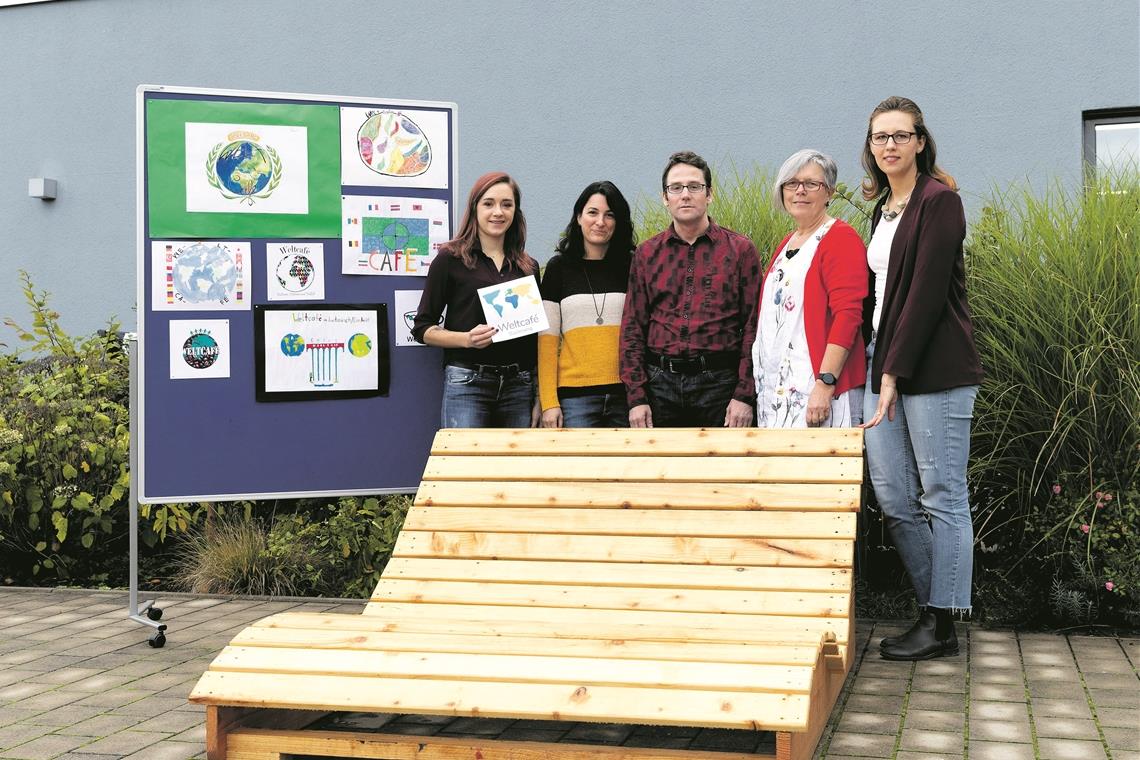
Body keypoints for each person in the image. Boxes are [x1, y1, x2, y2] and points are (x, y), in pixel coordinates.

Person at [860, 97, 984, 661]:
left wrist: (892, 373)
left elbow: (927, 295)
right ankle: (930, 610)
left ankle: (941, 622)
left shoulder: (941, 202)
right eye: (879, 137)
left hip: (933, 370)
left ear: (919, 142)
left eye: (899, 135)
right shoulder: (883, 208)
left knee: (942, 495)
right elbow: (881, 298)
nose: (889, 145)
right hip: (884, 366)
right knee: (894, 496)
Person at [620, 151, 761, 428]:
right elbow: (632, 328)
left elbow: (755, 327)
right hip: (659, 386)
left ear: (709, 194)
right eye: (676, 188)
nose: (685, 194)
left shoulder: (740, 251)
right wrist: (637, 398)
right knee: (661, 470)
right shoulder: (647, 255)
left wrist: (744, 394)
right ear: (665, 197)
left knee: (722, 470)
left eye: (694, 186)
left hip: (720, 385)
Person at [412, 171, 540, 428]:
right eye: (489, 203)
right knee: (465, 466)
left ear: (516, 211)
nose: (498, 212)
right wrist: (466, 339)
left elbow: (534, 342)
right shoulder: (450, 259)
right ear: (474, 208)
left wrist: (538, 395)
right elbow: (422, 328)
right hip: (468, 382)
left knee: (515, 469)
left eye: (507, 204)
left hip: (519, 386)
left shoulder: (528, 267)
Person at [752, 150, 867, 428]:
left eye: (811, 184)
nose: (799, 191)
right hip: (778, 395)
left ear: (829, 192)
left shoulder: (840, 238)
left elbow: (848, 316)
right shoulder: (787, 243)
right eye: (791, 183)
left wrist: (825, 383)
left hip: (821, 394)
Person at [538, 181, 636, 427]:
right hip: (574, 398)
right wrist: (549, 402)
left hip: (625, 397)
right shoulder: (558, 268)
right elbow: (547, 341)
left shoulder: (633, 266)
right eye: (592, 212)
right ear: (579, 216)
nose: (600, 222)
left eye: (609, 215)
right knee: (576, 467)